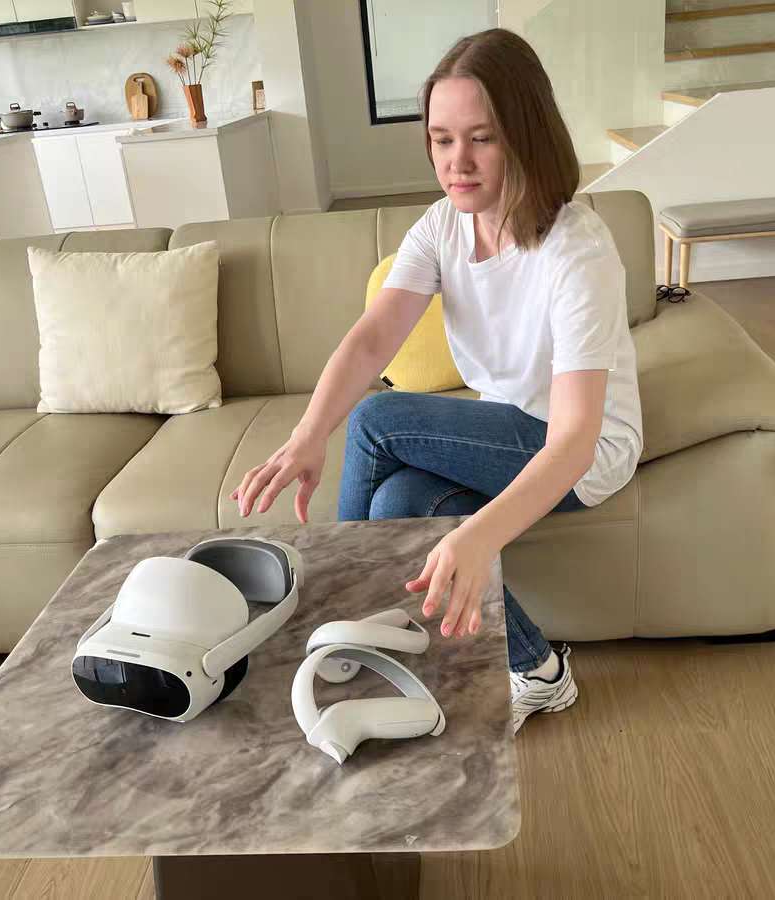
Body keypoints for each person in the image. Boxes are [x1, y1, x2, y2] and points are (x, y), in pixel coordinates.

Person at [230, 28, 642, 733]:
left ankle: (343, 617)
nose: (458, 162)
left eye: (482, 139)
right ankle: (539, 670)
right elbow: (371, 339)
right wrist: (305, 437)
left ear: (525, 136)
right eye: (441, 139)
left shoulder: (578, 252)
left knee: (376, 420)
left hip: (585, 450)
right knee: (399, 501)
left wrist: (480, 538)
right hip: (512, 427)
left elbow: (574, 440)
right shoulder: (442, 227)